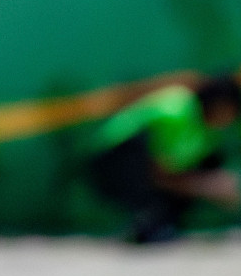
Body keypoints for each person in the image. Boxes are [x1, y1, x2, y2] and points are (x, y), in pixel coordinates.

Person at [87, 76, 241, 243]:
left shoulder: (207, 134)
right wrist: (206, 187)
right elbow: (158, 174)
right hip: (110, 160)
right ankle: (150, 220)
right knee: (170, 173)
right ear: (221, 104)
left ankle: (158, 224)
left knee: (205, 168)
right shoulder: (177, 110)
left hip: (140, 167)